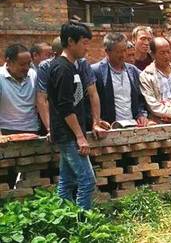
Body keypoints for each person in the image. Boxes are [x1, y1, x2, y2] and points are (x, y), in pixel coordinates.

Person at [47, 21, 109, 210]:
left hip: (70, 133)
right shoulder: (62, 69)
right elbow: (65, 107)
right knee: (87, 180)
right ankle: (83, 221)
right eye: (84, 43)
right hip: (68, 135)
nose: (86, 47)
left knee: (66, 182)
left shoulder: (71, 66)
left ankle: (64, 218)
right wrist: (80, 137)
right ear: (70, 41)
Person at [37, 36, 102, 138]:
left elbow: (93, 94)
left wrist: (96, 123)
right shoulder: (46, 67)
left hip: (81, 118)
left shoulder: (82, 63)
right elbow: (42, 99)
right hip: (59, 124)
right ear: (55, 55)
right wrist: (49, 129)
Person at [92, 33, 148, 127]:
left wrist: (141, 115)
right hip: (109, 128)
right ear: (107, 51)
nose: (123, 55)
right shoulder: (96, 72)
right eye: (118, 52)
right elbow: (89, 102)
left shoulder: (133, 71)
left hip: (133, 126)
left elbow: (140, 99)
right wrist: (98, 121)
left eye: (124, 50)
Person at [0, 44, 39, 138]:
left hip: (32, 129)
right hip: (6, 130)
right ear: (9, 62)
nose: (26, 68)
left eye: (29, 64)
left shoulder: (33, 74)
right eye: (22, 64)